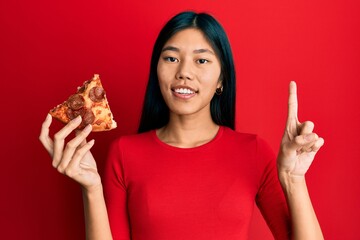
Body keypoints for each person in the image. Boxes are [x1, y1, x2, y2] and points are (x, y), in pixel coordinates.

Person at [39, 11, 324, 240]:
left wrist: (293, 179)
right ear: (157, 70)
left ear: (222, 79)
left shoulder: (255, 151)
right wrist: (91, 189)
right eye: (171, 58)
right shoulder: (124, 153)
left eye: (201, 60)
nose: (184, 72)